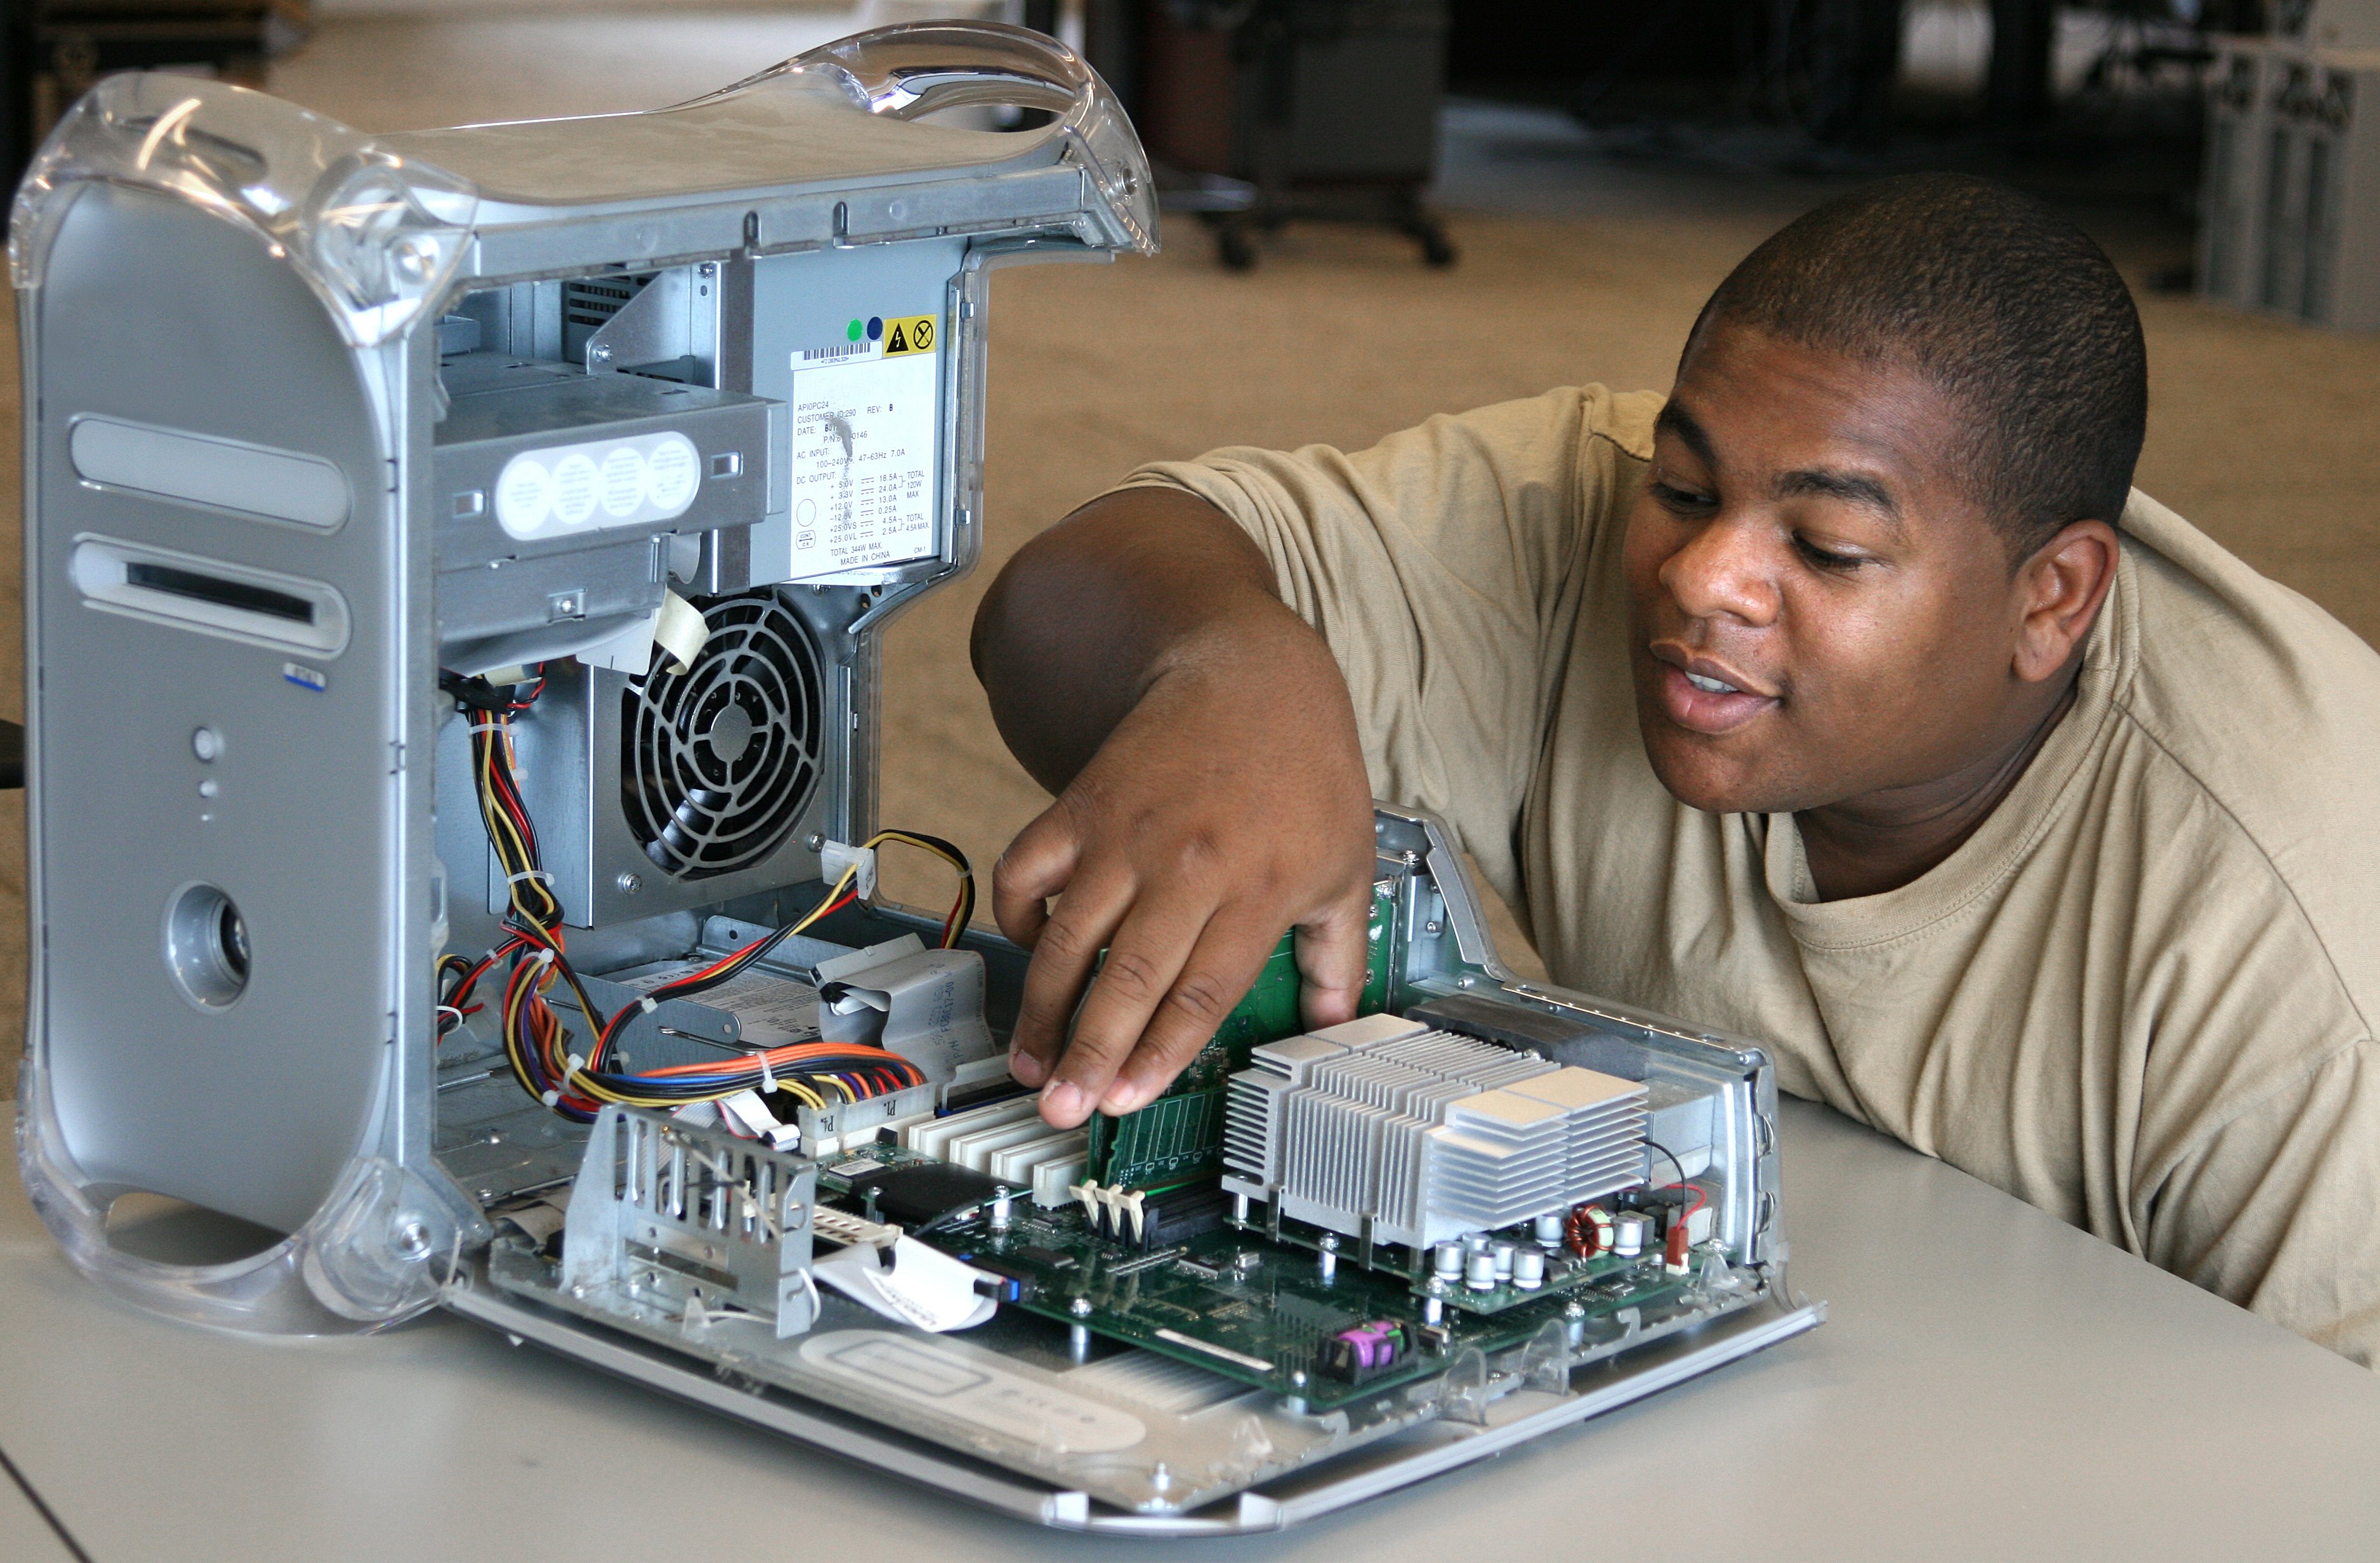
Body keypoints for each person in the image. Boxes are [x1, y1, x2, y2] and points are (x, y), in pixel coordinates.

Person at [968, 173, 2380, 1366]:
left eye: (1824, 548)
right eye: (1688, 489)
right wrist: (1230, 672)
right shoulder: (1584, 514)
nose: (1701, 575)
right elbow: (1064, 589)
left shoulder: (2305, 924)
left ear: (2052, 601)